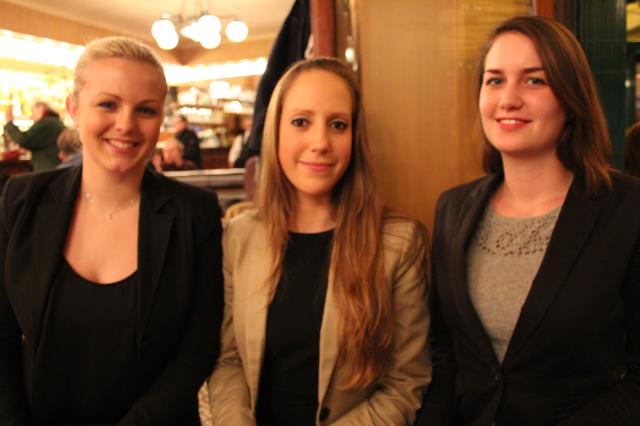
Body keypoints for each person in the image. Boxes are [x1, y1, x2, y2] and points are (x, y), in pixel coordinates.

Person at [416, 16, 640, 426]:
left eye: (534, 81)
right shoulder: (453, 210)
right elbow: (443, 354)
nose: (508, 99)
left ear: (571, 98)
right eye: (494, 80)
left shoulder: (627, 210)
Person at [0, 36, 223, 425]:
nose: (126, 125)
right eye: (108, 104)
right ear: (74, 110)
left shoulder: (195, 213)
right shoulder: (21, 200)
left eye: (146, 110)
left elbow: (197, 347)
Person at [208, 57, 431, 425]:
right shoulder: (239, 235)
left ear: (354, 138)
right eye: (300, 122)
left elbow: (405, 381)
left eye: (338, 125)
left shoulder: (399, 242)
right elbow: (228, 359)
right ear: (275, 132)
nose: (320, 142)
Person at [4, 101, 64, 171]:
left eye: (33, 112)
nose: (31, 117)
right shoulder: (54, 122)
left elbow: (23, 140)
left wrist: (9, 122)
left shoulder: (46, 123)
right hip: (52, 169)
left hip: (48, 171)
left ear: (41, 109)